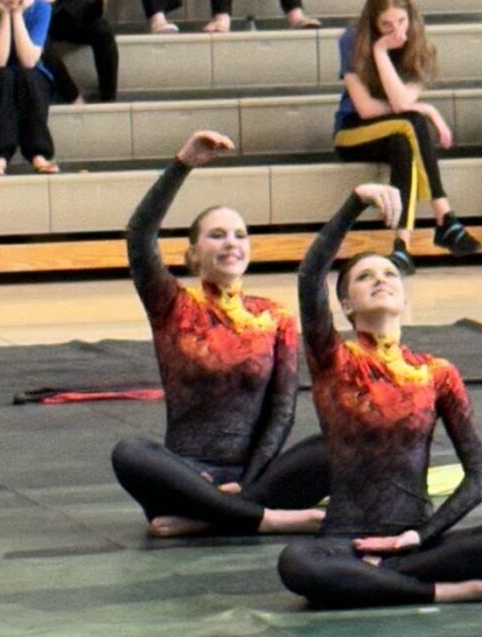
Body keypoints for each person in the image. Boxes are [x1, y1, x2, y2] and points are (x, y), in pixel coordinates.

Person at [279, 185, 482, 609]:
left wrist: (420, 535)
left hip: (416, 542)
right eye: (365, 277)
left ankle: (378, 578)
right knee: (296, 563)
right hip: (346, 541)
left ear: (404, 296)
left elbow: (480, 474)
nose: (380, 280)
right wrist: (355, 203)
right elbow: (310, 275)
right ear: (346, 305)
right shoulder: (333, 359)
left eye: (389, 274)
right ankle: (436, 590)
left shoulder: (436, 373)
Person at [109, 133, 326, 538]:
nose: (231, 244)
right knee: (130, 452)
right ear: (193, 253)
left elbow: (282, 411)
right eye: (217, 235)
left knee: (336, 446)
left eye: (240, 235)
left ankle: (214, 516)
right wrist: (182, 165)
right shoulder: (173, 306)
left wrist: (247, 484)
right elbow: (139, 236)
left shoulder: (274, 316)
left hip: (255, 478)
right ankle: (264, 519)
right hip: (186, 478)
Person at [333, 0, 477, 257]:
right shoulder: (352, 39)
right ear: (374, 24)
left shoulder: (420, 47)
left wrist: (418, 108)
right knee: (413, 122)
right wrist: (379, 51)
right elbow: (367, 109)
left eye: (401, 21)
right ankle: (444, 215)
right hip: (353, 131)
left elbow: (402, 103)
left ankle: (402, 245)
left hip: (397, 129)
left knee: (405, 140)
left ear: (411, 18)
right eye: (386, 25)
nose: (396, 31)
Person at [0, 0, 58, 176]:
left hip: (30, 77)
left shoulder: (41, 7)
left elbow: (29, 60)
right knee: (3, 76)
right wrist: (4, 14)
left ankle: (38, 154)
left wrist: (17, 14)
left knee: (28, 76)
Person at [41, 0, 115, 103]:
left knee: (103, 32)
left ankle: (108, 99)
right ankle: (72, 96)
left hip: (65, 13)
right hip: (36, 14)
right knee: (42, 43)